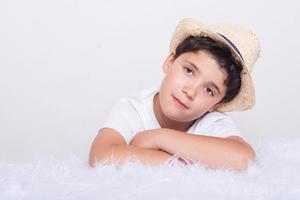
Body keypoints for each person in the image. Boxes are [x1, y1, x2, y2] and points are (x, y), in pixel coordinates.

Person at [89, 18, 260, 170]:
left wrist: (157, 138)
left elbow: (243, 158)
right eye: (189, 70)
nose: (190, 91)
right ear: (169, 62)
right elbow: (101, 156)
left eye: (209, 90)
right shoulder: (133, 109)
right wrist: (189, 164)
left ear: (217, 104)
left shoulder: (212, 123)